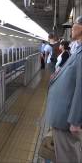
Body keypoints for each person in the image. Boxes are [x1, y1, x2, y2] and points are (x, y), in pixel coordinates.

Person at [45, 15, 82, 162]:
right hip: (63, 117)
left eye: (77, 23)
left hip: (67, 121)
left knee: (67, 157)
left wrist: (75, 121)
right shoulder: (78, 49)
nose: (73, 25)